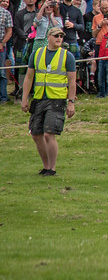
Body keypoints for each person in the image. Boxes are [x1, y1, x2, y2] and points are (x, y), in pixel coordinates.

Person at [22, 27, 77, 176]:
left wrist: (71, 101)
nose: (59, 38)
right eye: (56, 36)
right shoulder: (37, 54)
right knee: (36, 134)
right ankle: (45, 166)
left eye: (61, 36)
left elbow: (72, 81)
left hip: (57, 99)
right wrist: (24, 98)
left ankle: (52, 168)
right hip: (39, 98)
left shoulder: (67, 56)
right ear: (49, 37)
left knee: (49, 133)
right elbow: (29, 77)